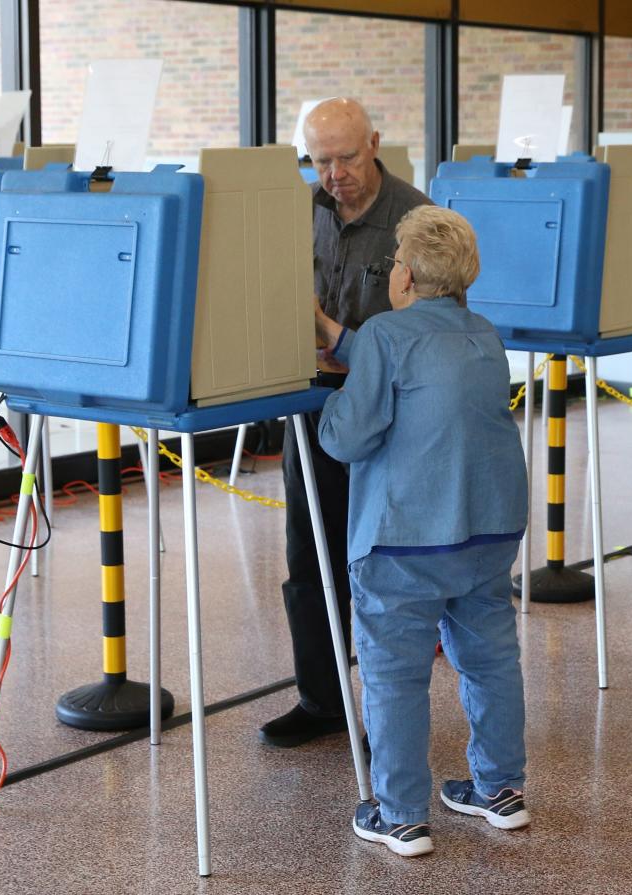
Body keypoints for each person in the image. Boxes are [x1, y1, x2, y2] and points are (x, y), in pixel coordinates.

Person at [313, 205, 530, 857]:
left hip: (405, 538)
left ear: (403, 276)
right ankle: (500, 790)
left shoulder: (385, 335)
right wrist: (336, 333)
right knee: (490, 659)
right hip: (488, 529)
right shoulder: (484, 334)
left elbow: (350, 437)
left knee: (394, 673)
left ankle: (401, 812)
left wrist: (328, 406)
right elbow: (423, 361)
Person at [260, 98, 431, 749]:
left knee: (387, 565)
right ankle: (322, 699)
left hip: (393, 412)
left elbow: (433, 331)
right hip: (315, 406)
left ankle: (394, 715)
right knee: (310, 558)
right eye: (321, 160)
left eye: (347, 158)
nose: (334, 174)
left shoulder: (416, 219)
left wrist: (342, 336)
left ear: (376, 144)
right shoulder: (300, 212)